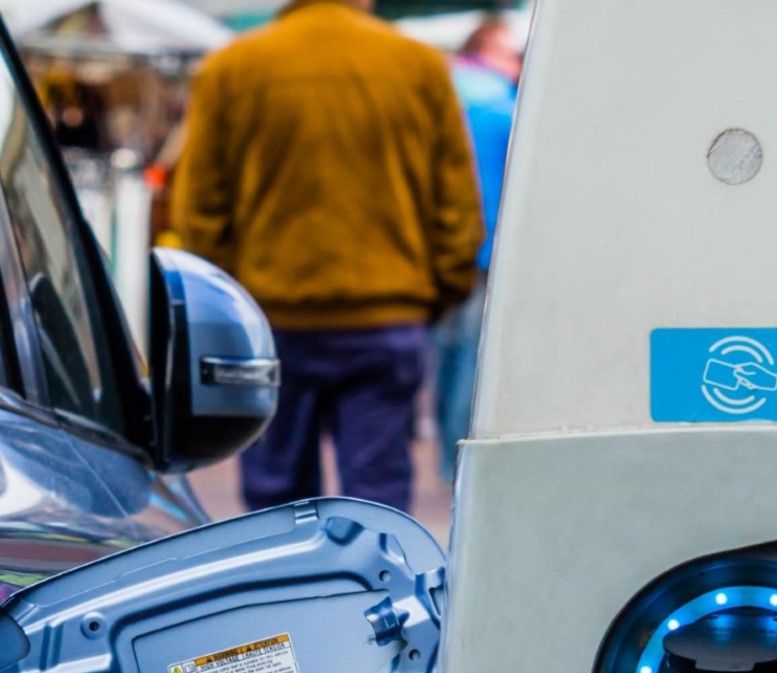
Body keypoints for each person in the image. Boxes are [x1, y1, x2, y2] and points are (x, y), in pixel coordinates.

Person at [172, 0, 483, 513]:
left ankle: (287, 593)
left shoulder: (231, 69)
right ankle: (377, 593)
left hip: (272, 322)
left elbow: (200, 210)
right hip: (387, 315)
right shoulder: (417, 65)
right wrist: (437, 293)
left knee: (277, 501)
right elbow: (456, 205)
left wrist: (234, 304)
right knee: (378, 497)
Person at [435, 16, 521, 483]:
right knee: (472, 364)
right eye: (508, 54)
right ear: (486, 53)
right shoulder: (502, 107)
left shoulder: (445, 96)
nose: (515, 64)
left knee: (446, 359)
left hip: (445, 252)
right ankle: (460, 466)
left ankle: (445, 460)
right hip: (487, 251)